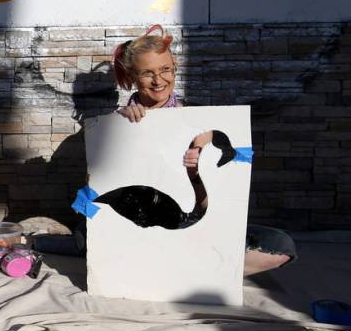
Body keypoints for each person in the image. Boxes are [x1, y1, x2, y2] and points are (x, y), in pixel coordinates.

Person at [105, 24, 296, 277]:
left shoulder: (201, 123)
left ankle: (181, 266)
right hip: (141, 225)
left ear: (174, 69)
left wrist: (197, 172)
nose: (159, 80)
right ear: (131, 77)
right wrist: (121, 126)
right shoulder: (116, 125)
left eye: (165, 69)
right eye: (147, 73)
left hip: (192, 220)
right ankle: (188, 266)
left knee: (280, 245)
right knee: (102, 242)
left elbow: (213, 204)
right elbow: (103, 186)